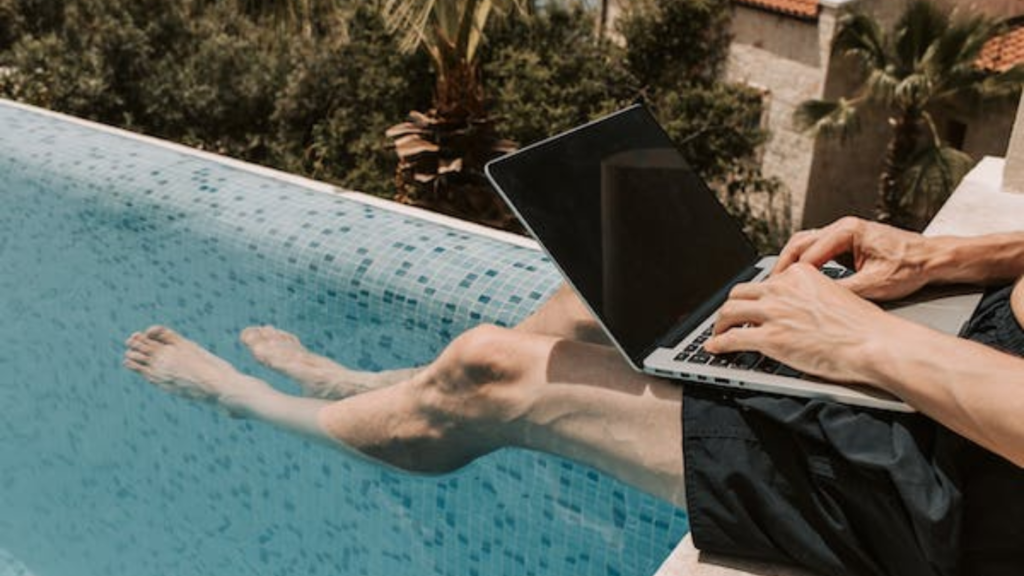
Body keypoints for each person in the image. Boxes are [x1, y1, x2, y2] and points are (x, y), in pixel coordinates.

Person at [123, 216, 1024, 575]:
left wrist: (865, 342)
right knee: (599, 295)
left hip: (959, 487)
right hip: (976, 354)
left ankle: (261, 403)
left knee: (493, 371)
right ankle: (383, 385)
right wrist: (953, 259)